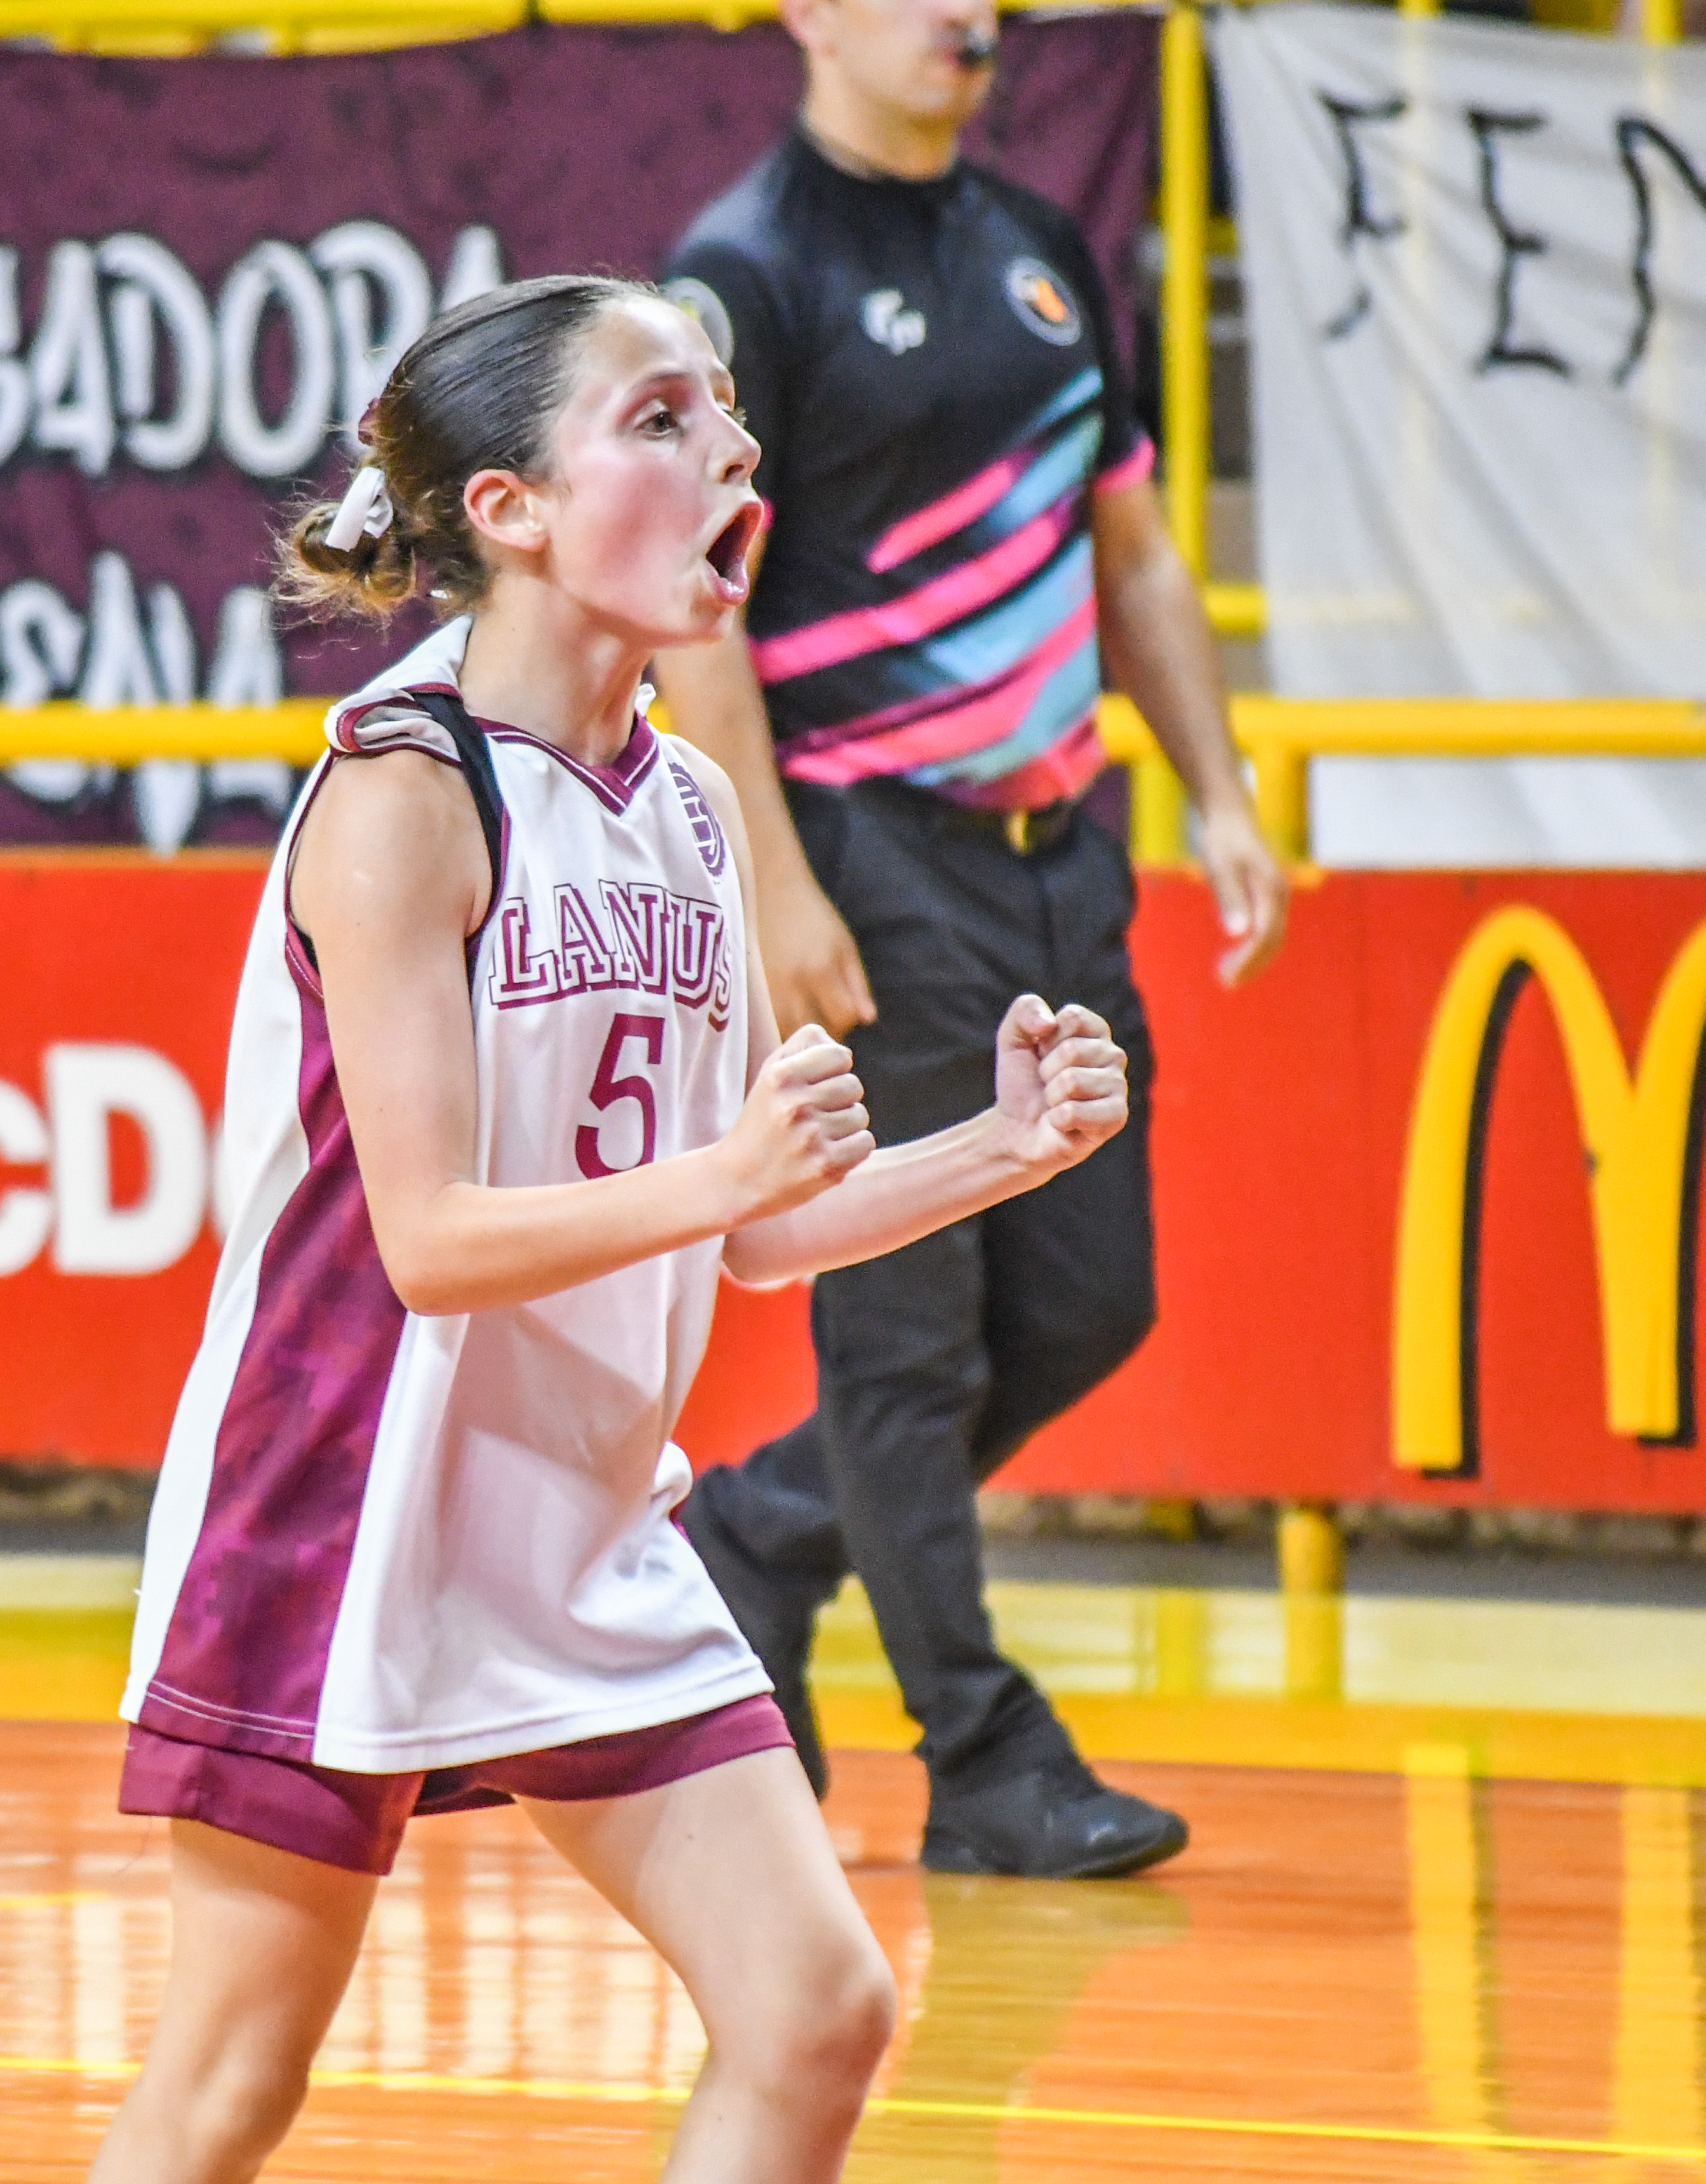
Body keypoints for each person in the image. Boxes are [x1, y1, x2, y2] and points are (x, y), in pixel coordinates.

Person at [90, 272, 1135, 2184]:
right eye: (660, 419)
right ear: (510, 511)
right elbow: (431, 1240)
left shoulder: (696, 809)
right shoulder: (401, 795)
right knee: (228, 2093)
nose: (730, 450)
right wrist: (724, 1177)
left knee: (819, 2010)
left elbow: (749, 1236)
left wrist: (1000, 1147)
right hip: (349, 1513)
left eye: (726, 416)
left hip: (579, 1523)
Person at [652, 0, 1287, 1879]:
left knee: (1096, 1296)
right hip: (876, 849)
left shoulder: (1040, 248)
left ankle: (760, 1539)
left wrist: (1222, 791)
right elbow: (699, 607)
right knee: (906, 1346)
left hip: (1056, 853)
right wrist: (775, 880)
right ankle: (986, 1759)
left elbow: (1136, 543)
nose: (969, 15)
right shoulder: (740, 275)